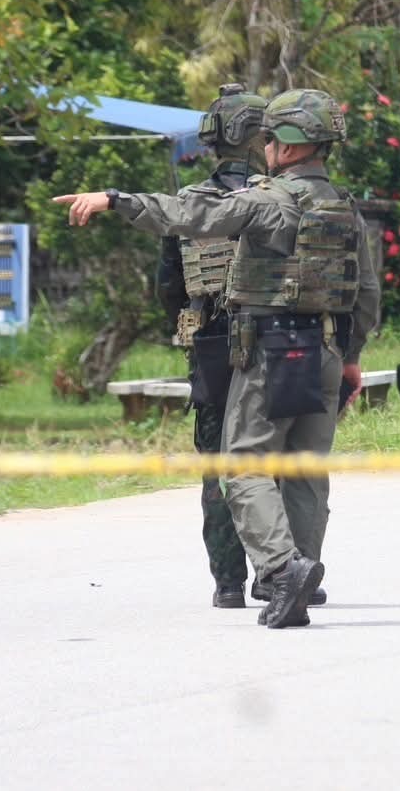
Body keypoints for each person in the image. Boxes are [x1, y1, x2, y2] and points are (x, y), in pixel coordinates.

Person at [56, 89, 380, 629]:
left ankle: (281, 569)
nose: (266, 147)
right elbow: (366, 291)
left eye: (272, 138)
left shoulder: (271, 201)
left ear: (293, 146)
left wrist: (116, 199)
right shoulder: (343, 207)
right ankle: (299, 572)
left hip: (273, 349)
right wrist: (351, 355)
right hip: (324, 350)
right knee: (304, 470)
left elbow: (194, 212)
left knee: (243, 464)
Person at [154, 84, 266, 611]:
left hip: (211, 345)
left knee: (218, 462)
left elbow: (168, 289)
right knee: (274, 460)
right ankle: (275, 573)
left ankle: (227, 584)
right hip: (273, 343)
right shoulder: (279, 198)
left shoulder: (188, 204)